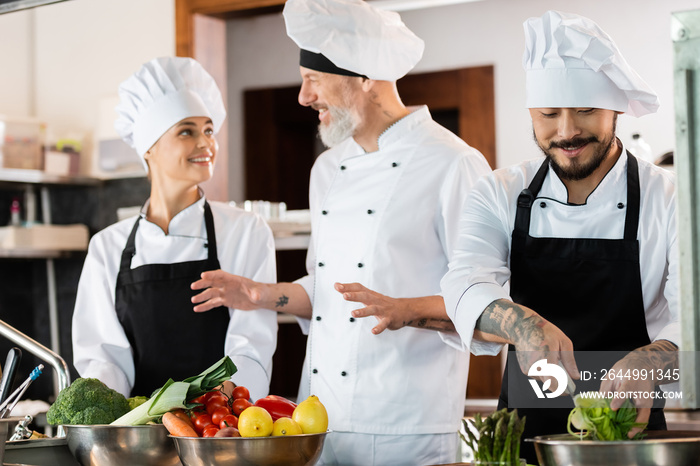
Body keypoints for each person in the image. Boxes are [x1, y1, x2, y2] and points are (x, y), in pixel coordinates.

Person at [191, 0, 491, 463]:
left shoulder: (452, 163)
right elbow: (331, 290)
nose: (303, 96)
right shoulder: (327, 169)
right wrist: (260, 295)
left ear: (366, 77)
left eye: (314, 79)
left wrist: (406, 309)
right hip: (318, 420)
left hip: (406, 428)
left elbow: (487, 304)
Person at [441, 10, 679, 464]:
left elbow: (694, 313)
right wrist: (522, 324)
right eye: (549, 113)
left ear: (616, 108)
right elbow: (464, 281)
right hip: (521, 434)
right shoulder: (499, 191)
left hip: (633, 427)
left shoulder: (667, 197)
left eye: (586, 110)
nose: (566, 130)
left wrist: (655, 358)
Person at [72, 57, 278, 401]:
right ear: (148, 147)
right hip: (136, 436)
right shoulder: (107, 246)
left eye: (209, 130)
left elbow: (250, 347)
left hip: (217, 430)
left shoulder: (246, 232)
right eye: (187, 131)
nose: (206, 143)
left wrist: (205, 407)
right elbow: (104, 358)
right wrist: (117, 413)